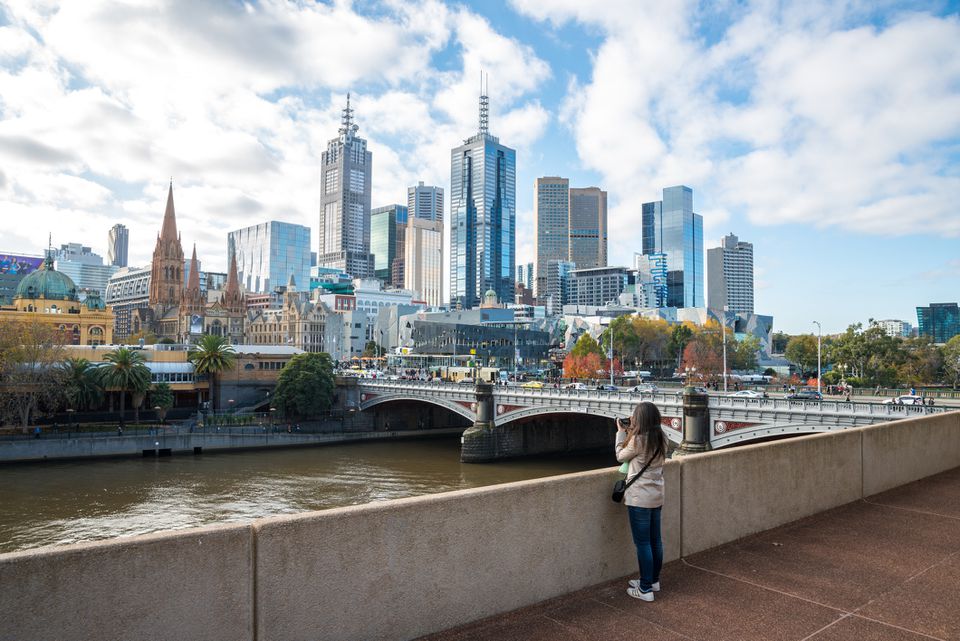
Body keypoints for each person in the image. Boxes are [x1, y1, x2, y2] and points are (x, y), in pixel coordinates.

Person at [615, 401, 667, 602]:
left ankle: (645, 590)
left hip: (639, 498)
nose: (632, 418)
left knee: (643, 543)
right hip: (657, 494)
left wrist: (621, 433)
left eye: (635, 415)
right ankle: (652, 580)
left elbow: (620, 456)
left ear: (642, 419)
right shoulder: (663, 437)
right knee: (656, 541)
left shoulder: (638, 440)